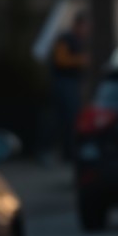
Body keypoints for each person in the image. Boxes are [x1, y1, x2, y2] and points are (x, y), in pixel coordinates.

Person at [49, 11, 89, 162]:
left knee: (72, 118)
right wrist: (81, 60)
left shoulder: (79, 40)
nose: (86, 30)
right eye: (84, 26)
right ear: (78, 25)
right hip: (64, 83)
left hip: (72, 83)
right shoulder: (66, 39)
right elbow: (61, 60)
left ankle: (69, 152)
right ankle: (62, 152)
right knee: (67, 117)